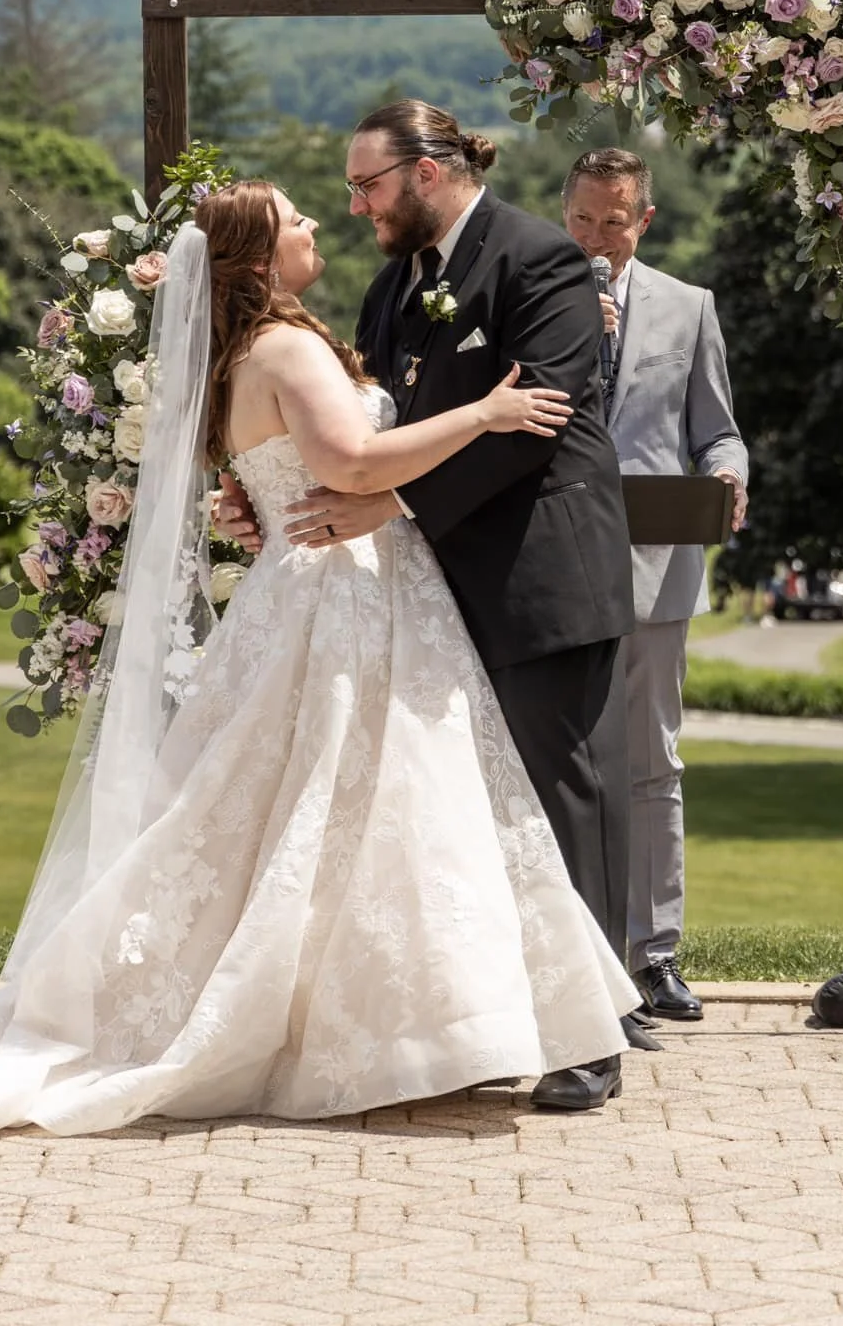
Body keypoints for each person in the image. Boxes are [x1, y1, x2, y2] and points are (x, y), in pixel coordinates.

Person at [0, 184, 640, 1154]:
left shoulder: (246, 354)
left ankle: (415, 1024)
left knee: (341, 814)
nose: (318, 222)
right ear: (258, 258)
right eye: (295, 220)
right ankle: (376, 1026)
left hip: (313, 586)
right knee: (353, 804)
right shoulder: (284, 347)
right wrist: (486, 412)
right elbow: (355, 462)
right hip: (341, 599)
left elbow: (283, 477)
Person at [217, 101, 649, 1111]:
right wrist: (266, 491)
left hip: (541, 572)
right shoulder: (388, 288)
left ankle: (594, 1033)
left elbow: (536, 416)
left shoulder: (541, 259)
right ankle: (494, 1016)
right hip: (428, 591)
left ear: (425, 172)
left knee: (557, 789)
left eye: (366, 183)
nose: (354, 203)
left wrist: (384, 500)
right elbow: (357, 421)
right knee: (475, 809)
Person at [562, 148, 748, 1023]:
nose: (600, 237)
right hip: (552, 562)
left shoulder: (691, 307)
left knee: (652, 765)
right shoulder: (528, 293)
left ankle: (655, 955)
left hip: (656, 564)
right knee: (554, 765)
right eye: (584, 220)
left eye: (615, 220)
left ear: (645, 220)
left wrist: (728, 476)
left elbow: (718, 432)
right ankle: (573, 957)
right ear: (565, 216)